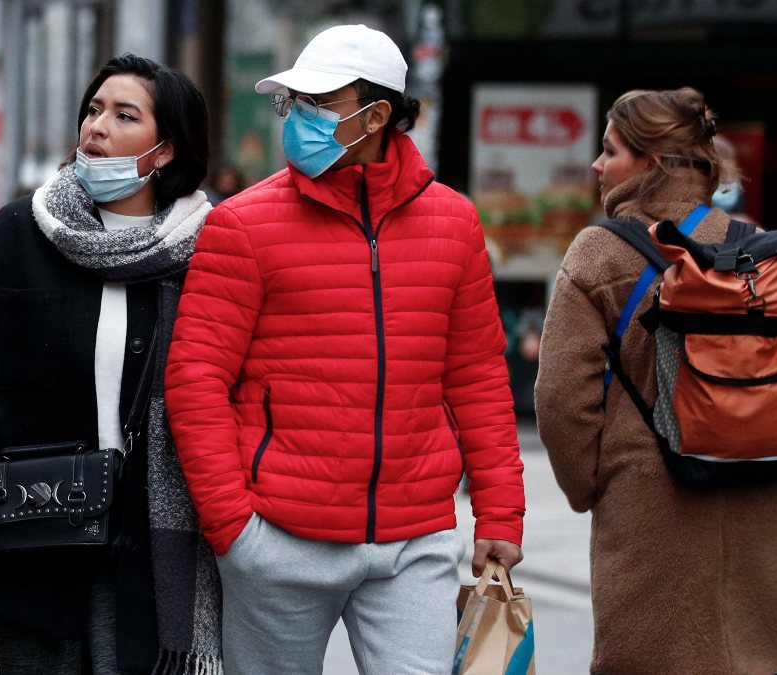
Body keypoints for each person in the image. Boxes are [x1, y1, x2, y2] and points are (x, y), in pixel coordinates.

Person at [165, 24, 526, 675]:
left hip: (415, 537)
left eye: (317, 103)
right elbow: (195, 377)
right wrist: (235, 529)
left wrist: (500, 512)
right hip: (278, 534)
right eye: (292, 104)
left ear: (377, 115)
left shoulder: (454, 222)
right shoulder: (241, 224)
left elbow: (476, 374)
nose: (297, 118)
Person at [0, 55, 219, 674]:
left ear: (166, 149)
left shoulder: (209, 250)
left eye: (124, 115)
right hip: (27, 531)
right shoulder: (19, 234)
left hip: (146, 540)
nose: (97, 127)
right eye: (93, 110)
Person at [534, 87, 777, 673]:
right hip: (765, 496)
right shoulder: (753, 251)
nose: (596, 165)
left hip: (651, 506)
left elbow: (561, 396)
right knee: (759, 658)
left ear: (652, 163)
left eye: (610, 151)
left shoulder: (599, 253)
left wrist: (591, 482)